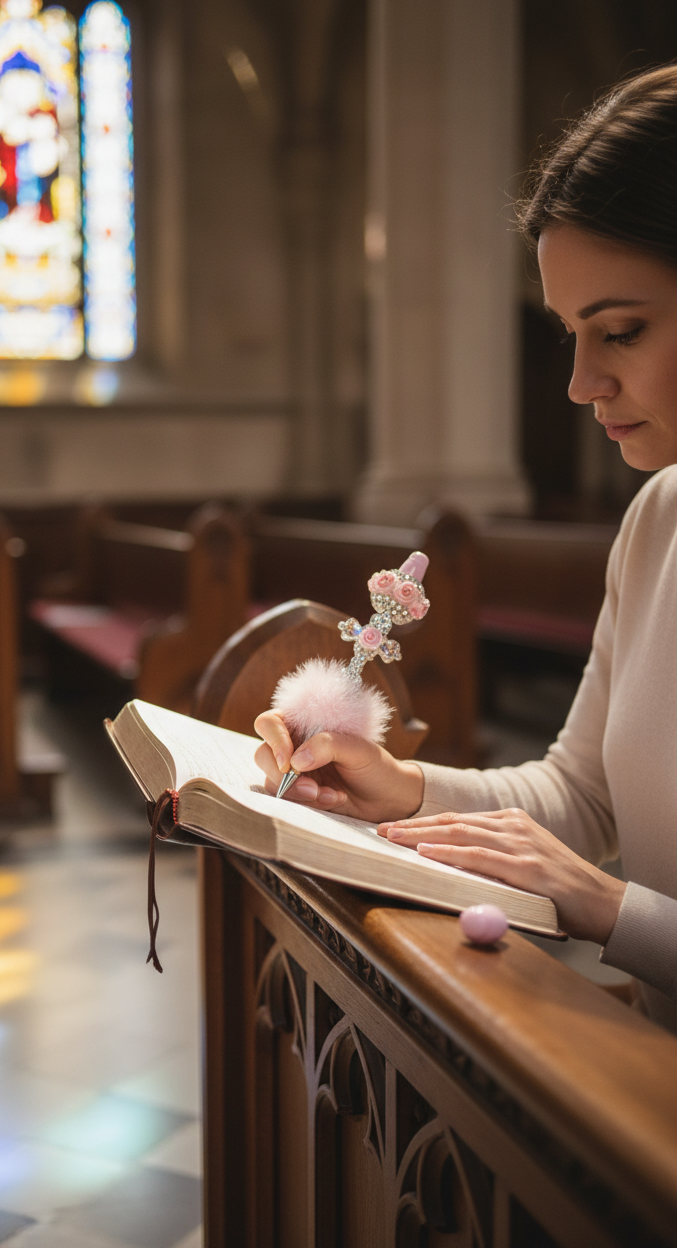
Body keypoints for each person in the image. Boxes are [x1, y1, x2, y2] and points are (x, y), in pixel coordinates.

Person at [254, 64, 677, 1034]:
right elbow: (577, 794)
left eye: (619, 331)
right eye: (569, 334)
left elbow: (595, 878)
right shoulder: (656, 524)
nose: (578, 384)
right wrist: (395, 789)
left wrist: (611, 911)